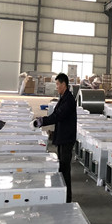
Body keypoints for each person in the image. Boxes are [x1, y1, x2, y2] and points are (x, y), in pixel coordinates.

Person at [33, 73, 77, 202]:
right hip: (63, 137)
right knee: (62, 167)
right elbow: (56, 115)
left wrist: (42, 121)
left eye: (57, 84)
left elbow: (58, 116)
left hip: (66, 139)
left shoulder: (68, 100)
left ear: (63, 84)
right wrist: (43, 120)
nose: (56, 86)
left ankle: (67, 199)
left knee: (65, 169)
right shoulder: (63, 97)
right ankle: (62, 195)